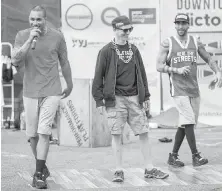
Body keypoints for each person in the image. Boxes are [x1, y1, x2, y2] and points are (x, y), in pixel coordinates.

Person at [92, 15, 169, 182]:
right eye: (124, 30)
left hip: (135, 97)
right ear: (115, 29)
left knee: (143, 132)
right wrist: (99, 100)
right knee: (116, 134)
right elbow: (98, 77)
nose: (127, 32)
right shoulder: (106, 51)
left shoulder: (134, 49)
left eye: (130, 29)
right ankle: (118, 170)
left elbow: (141, 72)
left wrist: (146, 95)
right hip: (115, 99)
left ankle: (149, 168)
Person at [12, 5, 73, 189]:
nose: (35, 22)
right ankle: (43, 166)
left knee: (44, 131)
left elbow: (64, 61)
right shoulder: (22, 35)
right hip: (30, 92)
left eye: (38, 19)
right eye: (32, 19)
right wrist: (30, 39)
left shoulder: (57, 37)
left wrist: (69, 84)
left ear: (45, 19)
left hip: (52, 90)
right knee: (31, 136)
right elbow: (15, 59)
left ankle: (38, 175)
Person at [156, 13, 222, 168]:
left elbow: (209, 58)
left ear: (188, 25)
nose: (180, 26)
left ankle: (173, 156)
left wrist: (218, 72)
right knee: (189, 120)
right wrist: (175, 70)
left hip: (193, 89)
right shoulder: (168, 43)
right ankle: (196, 156)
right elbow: (158, 66)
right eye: (177, 23)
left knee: (186, 124)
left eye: (183, 23)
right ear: (175, 25)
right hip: (178, 89)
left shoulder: (195, 41)